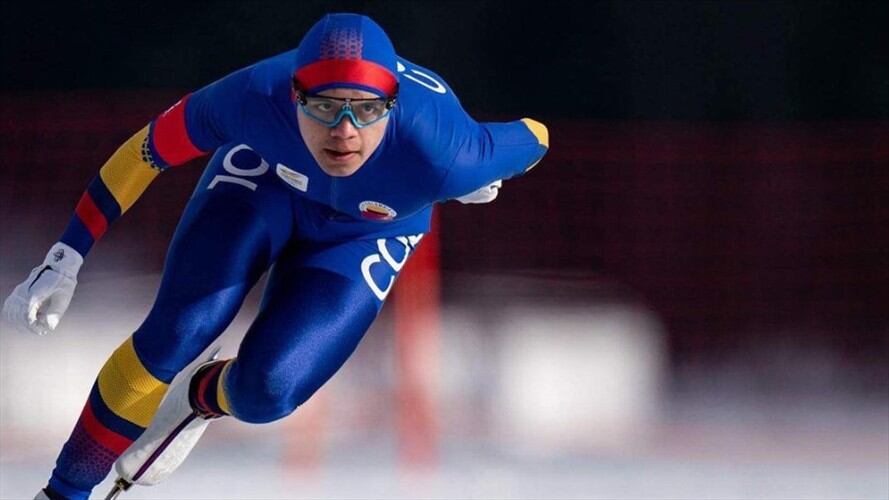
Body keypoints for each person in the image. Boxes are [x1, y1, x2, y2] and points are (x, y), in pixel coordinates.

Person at [2, 12, 549, 500]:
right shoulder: (253, 95)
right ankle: (64, 494)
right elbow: (145, 153)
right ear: (293, 96)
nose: (344, 132)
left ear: (393, 106)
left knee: (269, 392)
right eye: (325, 107)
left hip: (363, 234)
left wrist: (496, 169)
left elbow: (537, 135)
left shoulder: (450, 150)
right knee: (179, 328)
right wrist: (66, 255)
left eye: (365, 110)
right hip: (266, 183)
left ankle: (201, 396)